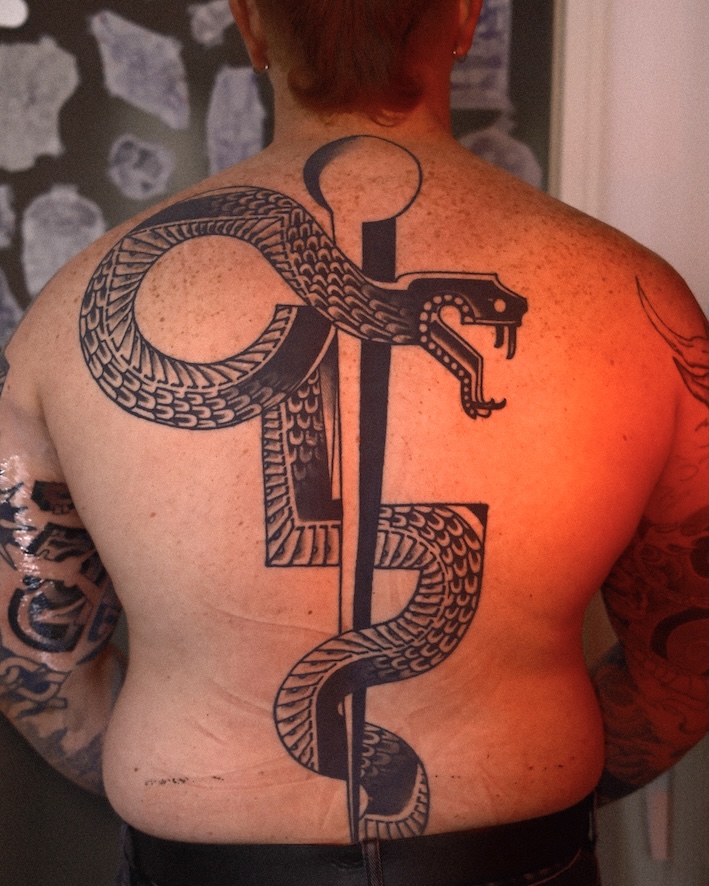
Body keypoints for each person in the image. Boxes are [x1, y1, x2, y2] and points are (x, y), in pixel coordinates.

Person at [1, 0, 707, 883]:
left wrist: (208, 784)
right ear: (464, 19)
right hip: (514, 854)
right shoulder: (637, 301)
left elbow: (38, 666)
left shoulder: (65, 317)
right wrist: (520, 777)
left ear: (250, 23)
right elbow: (688, 657)